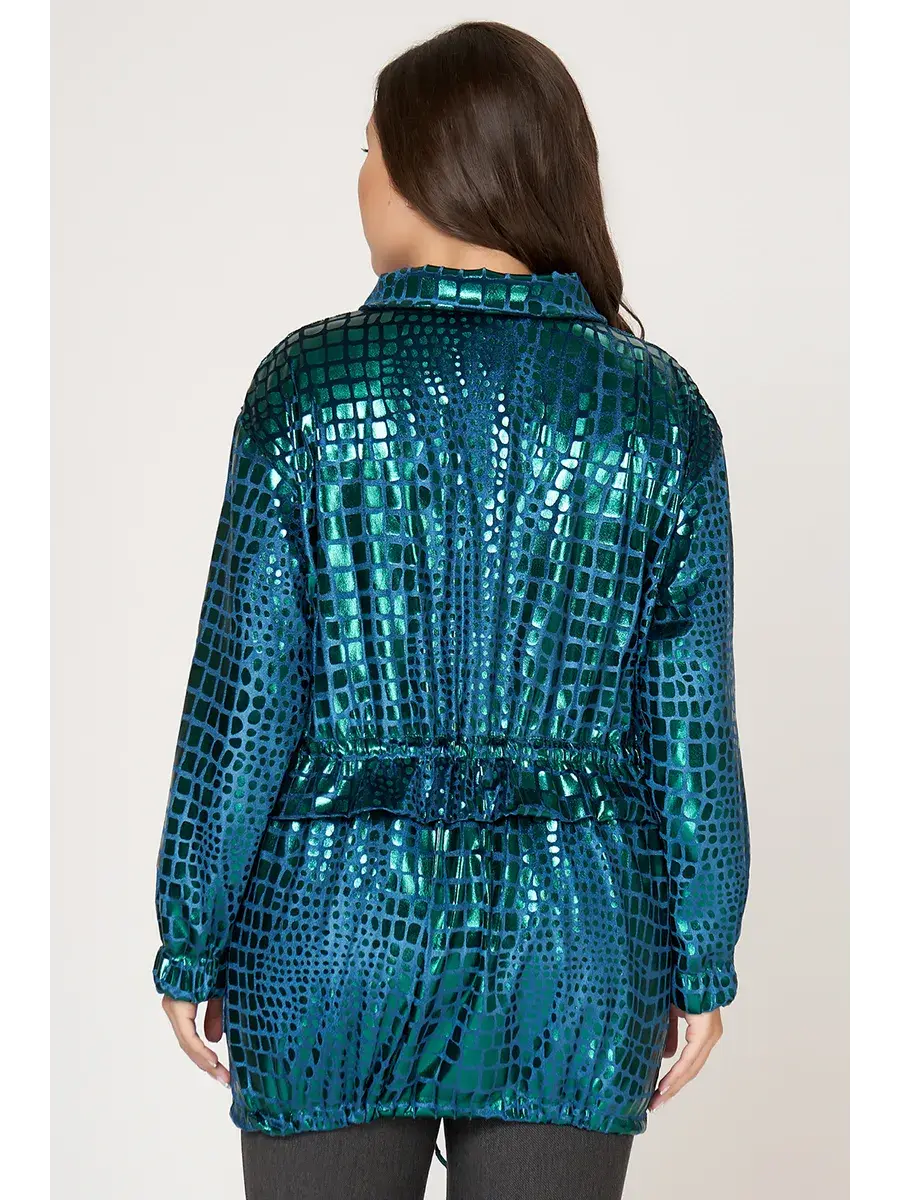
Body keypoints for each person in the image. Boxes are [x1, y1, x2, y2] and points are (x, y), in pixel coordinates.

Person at [153, 19, 751, 1200]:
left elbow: (245, 698)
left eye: (368, 150)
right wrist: (702, 956)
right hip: (578, 946)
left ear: (431, 165)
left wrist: (192, 929)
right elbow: (689, 723)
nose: (360, 179)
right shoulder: (659, 410)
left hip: (329, 938)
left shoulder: (309, 386)